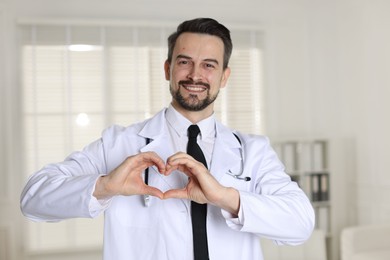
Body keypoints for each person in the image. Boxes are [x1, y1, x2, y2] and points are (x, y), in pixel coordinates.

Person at [20, 17, 315, 260]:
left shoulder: (252, 151)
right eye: (184, 62)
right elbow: (33, 199)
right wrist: (105, 186)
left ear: (224, 76)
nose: (195, 75)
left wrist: (225, 197)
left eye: (209, 65)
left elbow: (301, 223)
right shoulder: (119, 144)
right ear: (168, 69)